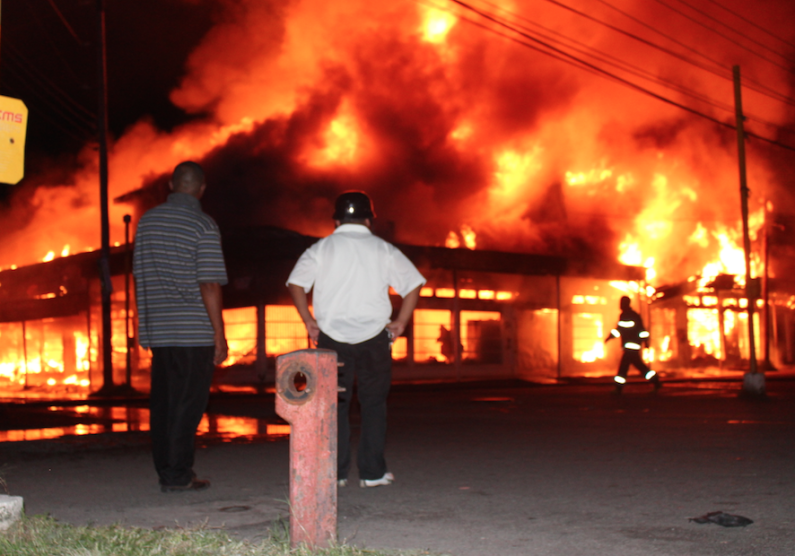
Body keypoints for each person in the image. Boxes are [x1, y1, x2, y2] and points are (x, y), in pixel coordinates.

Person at [287, 191, 426, 488]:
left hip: (331, 339)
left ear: (336, 220)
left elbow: (296, 283)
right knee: (373, 404)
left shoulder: (322, 248)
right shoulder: (383, 249)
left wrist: (309, 322)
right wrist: (401, 321)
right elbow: (413, 284)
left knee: (333, 405)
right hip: (374, 337)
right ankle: (372, 473)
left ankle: (334, 473)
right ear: (369, 220)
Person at [133, 161, 228, 492]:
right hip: (194, 333)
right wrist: (219, 333)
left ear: (172, 184)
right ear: (201, 189)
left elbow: (140, 277)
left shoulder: (146, 223)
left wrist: (144, 327)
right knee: (188, 405)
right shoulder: (202, 225)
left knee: (164, 404)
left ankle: (167, 470)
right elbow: (209, 284)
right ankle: (177, 475)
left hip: (160, 331)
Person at [605, 296, 661, 394]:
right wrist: (645, 342)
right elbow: (623, 330)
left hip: (630, 347)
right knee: (639, 367)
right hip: (632, 346)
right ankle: (655, 381)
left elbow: (623, 330)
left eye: (622, 303)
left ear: (625, 304)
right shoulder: (631, 315)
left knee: (624, 368)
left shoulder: (627, 315)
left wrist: (609, 337)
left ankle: (618, 388)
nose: (620, 305)